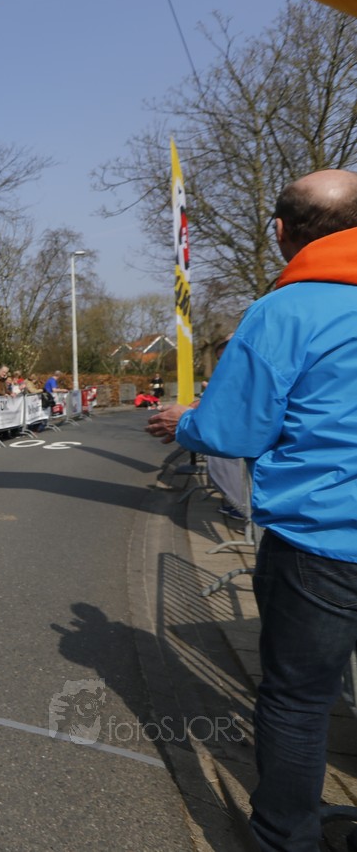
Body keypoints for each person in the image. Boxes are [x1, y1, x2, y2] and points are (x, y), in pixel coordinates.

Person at [145, 169, 357, 852]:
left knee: (299, 701)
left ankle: (283, 838)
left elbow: (235, 430)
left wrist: (185, 420)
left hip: (324, 538)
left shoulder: (286, 311)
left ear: (282, 231)